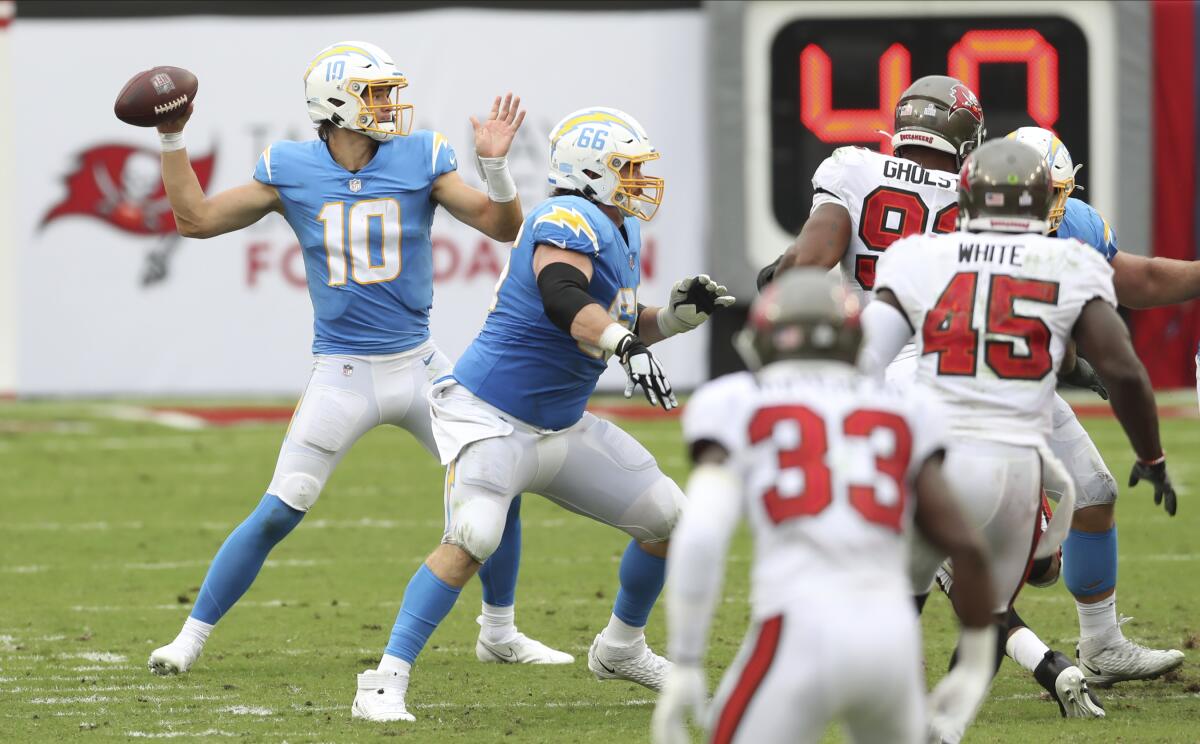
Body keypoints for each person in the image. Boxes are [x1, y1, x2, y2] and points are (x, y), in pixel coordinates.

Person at [141, 40, 570, 677]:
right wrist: (172, 139)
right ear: (335, 105)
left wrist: (495, 167)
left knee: (495, 483)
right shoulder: (289, 166)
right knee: (281, 506)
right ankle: (189, 638)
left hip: (422, 366)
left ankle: (500, 632)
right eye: (375, 94)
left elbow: (501, 226)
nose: (390, 105)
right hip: (343, 371)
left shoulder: (422, 156)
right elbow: (196, 219)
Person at [351, 106, 735, 722]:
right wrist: (623, 343)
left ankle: (620, 648)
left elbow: (614, 321)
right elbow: (563, 297)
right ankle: (383, 681)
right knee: (474, 534)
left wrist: (675, 320)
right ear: (589, 172)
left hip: (558, 425)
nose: (638, 180)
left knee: (668, 518)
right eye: (627, 169)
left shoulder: (617, 225)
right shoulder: (567, 215)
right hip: (489, 416)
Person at [756, 76, 1103, 715]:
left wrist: (782, 283)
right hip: (985, 373)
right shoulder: (985, 194)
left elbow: (818, 252)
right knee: (959, 540)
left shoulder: (855, 168)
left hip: (893, 374)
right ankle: (1038, 615)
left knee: (903, 544)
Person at [859, 139, 1176, 736]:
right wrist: (1152, 455)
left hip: (937, 451)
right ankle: (942, 727)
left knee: (900, 607)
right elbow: (1127, 371)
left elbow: (864, 358)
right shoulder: (1069, 262)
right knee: (986, 619)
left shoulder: (918, 256)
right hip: (1017, 470)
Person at [652, 269, 998, 744]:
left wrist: (687, 660)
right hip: (892, 638)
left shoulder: (736, 401)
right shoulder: (906, 407)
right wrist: (976, 659)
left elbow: (702, 533)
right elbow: (966, 547)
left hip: (798, 629)